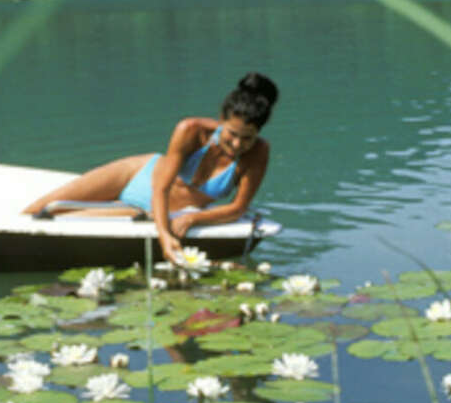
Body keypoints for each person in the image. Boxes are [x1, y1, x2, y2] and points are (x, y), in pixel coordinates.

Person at [22, 72, 277, 263]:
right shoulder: (190, 130)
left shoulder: (258, 153)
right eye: (232, 134)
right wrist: (165, 237)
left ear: (258, 133)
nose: (237, 144)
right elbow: (161, 188)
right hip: (136, 175)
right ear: (221, 119)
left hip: (152, 210)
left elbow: (238, 208)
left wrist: (191, 217)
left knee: (61, 220)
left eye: (248, 138)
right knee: (36, 209)